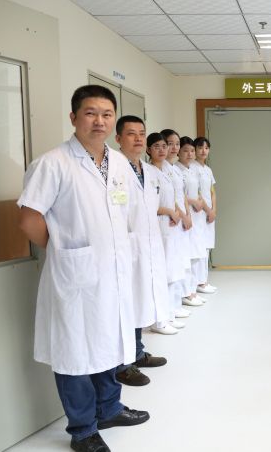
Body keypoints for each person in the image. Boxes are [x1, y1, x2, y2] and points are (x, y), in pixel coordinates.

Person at [17, 85, 149, 452]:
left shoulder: (118, 163)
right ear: (74, 117)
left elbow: (125, 211)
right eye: (91, 113)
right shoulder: (53, 163)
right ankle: (82, 430)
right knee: (74, 352)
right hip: (75, 277)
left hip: (113, 274)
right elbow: (29, 220)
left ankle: (109, 409)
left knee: (110, 341)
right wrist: (64, 250)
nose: (99, 121)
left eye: (107, 114)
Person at [114, 115, 171, 387]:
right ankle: (123, 364)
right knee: (126, 304)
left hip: (147, 245)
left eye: (141, 133)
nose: (138, 138)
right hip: (125, 247)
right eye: (131, 133)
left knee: (139, 299)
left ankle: (137, 353)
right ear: (118, 138)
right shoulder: (114, 170)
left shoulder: (148, 171)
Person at [146, 133, 186, 335]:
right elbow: (149, 204)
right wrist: (171, 212)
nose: (162, 150)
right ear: (148, 150)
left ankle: (169, 313)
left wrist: (176, 212)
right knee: (162, 273)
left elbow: (174, 197)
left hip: (170, 225)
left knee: (171, 269)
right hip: (159, 225)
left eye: (164, 146)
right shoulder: (149, 172)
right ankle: (159, 320)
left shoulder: (166, 171)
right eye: (156, 146)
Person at [160, 129, 194, 319]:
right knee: (170, 265)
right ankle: (169, 309)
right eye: (170, 143)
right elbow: (170, 199)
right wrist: (182, 215)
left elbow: (182, 195)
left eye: (177, 144)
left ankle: (176, 303)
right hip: (171, 221)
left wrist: (187, 214)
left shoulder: (173, 169)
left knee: (179, 262)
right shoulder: (160, 169)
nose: (174, 148)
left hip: (180, 221)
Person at [176, 136, 207, 306]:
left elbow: (199, 190)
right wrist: (194, 202)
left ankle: (193, 290)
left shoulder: (192, 170)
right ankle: (187, 293)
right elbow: (179, 195)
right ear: (178, 152)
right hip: (185, 217)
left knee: (195, 254)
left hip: (196, 217)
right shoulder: (177, 169)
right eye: (185, 150)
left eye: (192, 151)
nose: (189, 154)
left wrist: (200, 200)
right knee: (187, 256)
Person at [193, 136, 218, 294]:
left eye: (206, 148)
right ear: (195, 149)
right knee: (199, 247)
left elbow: (212, 191)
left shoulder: (208, 170)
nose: (203, 151)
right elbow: (197, 192)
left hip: (209, 213)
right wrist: (208, 210)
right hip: (199, 213)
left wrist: (214, 209)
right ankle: (199, 282)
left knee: (207, 247)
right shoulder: (192, 168)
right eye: (200, 147)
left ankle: (204, 280)